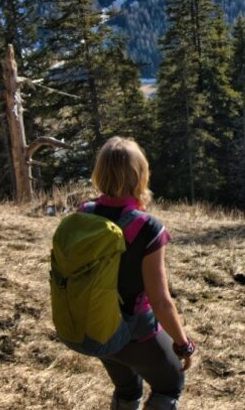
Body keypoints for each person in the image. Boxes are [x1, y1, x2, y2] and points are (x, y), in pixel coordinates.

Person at [85, 136, 195, 410]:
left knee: (127, 389)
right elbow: (160, 301)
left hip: (95, 327)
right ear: (140, 175)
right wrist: (183, 345)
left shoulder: (84, 215)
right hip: (134, 333)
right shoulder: (147, 227)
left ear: (100, 172)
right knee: (169, 387)